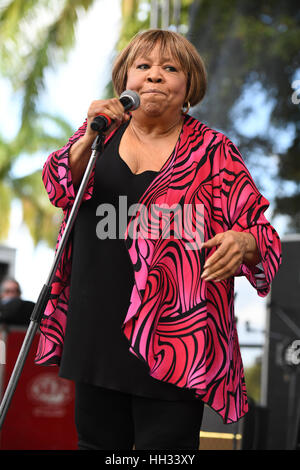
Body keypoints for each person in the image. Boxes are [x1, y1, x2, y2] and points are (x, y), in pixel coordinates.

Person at [35, 29, 282, 450]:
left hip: (175, 342)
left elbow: (264, 235)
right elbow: (59, 186)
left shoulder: (214, 152)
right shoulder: (98, 140)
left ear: (189, 86)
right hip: (96, 333)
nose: (154, 76)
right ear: (125, 80)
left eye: (170, 69)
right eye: (143, 67)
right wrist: (89, 135)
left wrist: (244, 243)